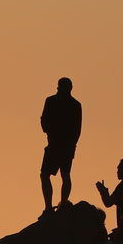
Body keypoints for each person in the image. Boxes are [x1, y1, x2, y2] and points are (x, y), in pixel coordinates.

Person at [39, 77, 82, 215]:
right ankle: (61, 205)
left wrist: (51, 134)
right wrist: (72, 143)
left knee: (46, 174)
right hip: (66, 146)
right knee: (64, 175)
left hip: (56, 144)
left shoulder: (51, 101)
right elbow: (77, 129)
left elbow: (44, 121)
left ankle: (50, 207)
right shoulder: (75, 104)